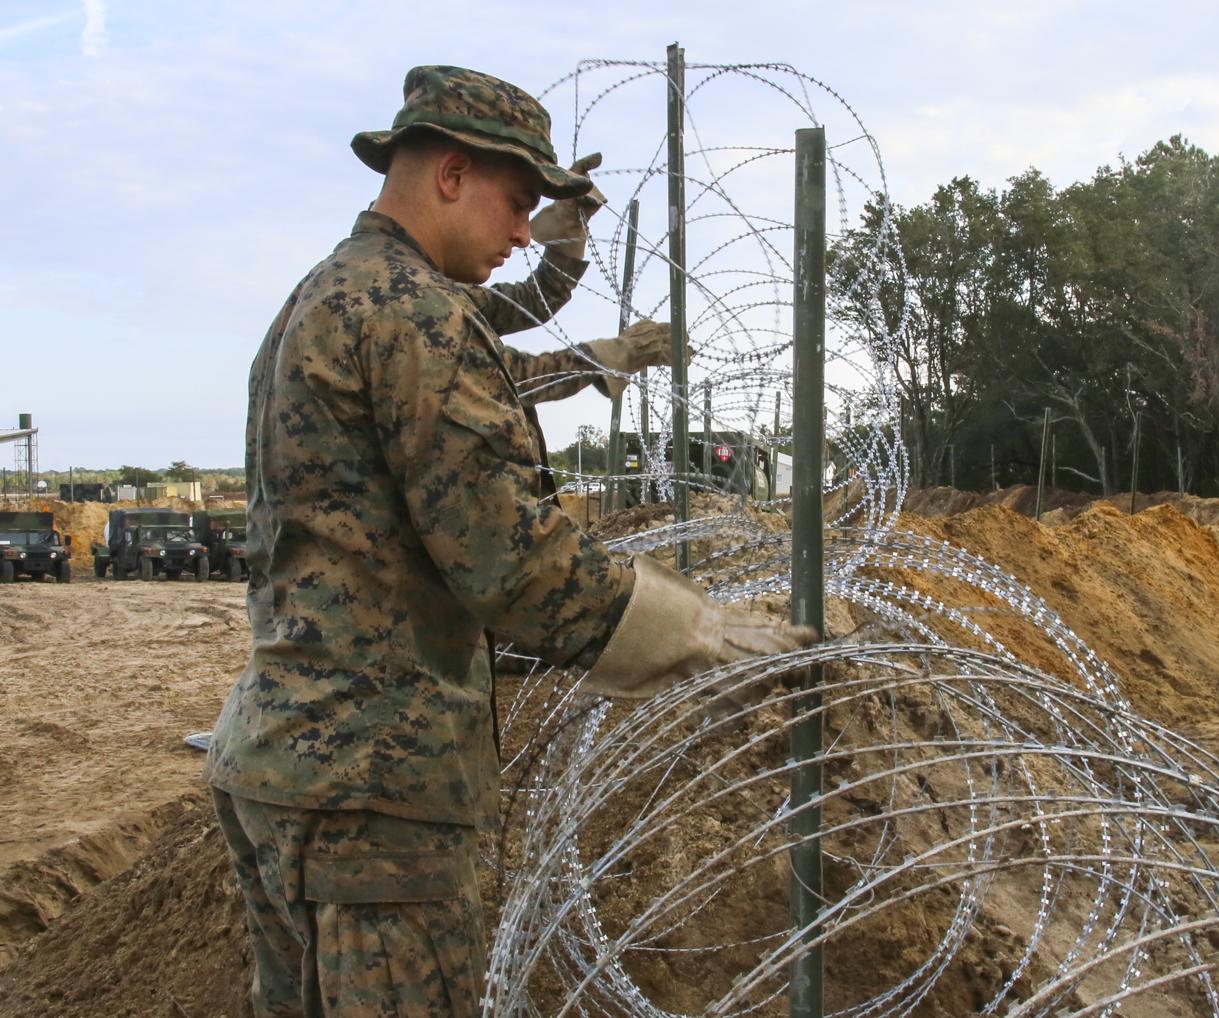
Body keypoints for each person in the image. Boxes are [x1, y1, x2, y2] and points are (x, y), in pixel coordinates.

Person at [204, 65, 813, 1017]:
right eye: (520, 202)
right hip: (376, 796)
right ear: (451, 174)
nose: (525, 229)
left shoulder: (332, 293)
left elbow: (405, 543)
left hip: (285, 762)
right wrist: (697, 631)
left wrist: (565, 269)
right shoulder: (410, 312)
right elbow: (508, 557)